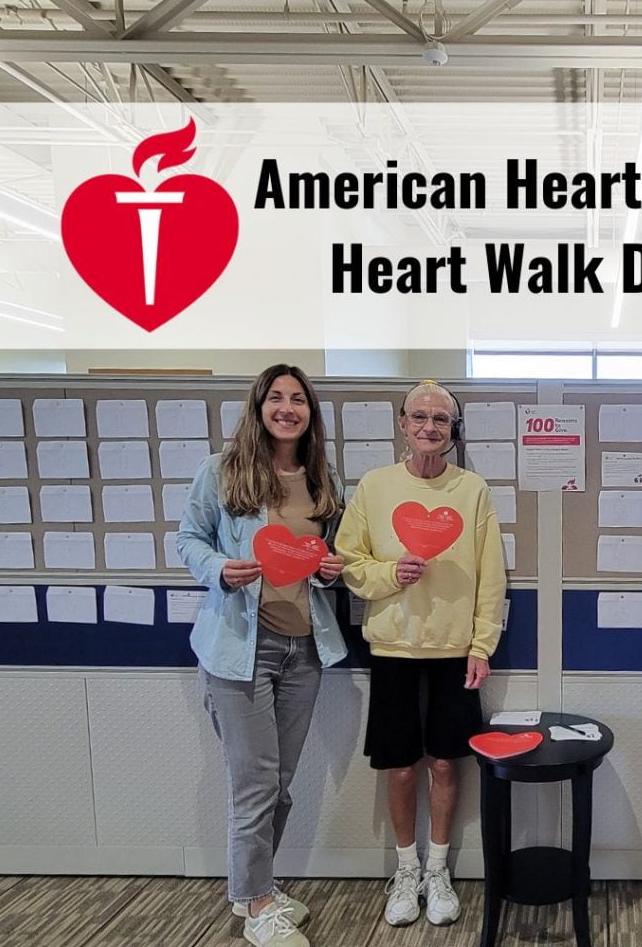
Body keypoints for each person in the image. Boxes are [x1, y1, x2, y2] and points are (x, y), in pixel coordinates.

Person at [177, 364, 347, 947]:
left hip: (305, 650)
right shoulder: (222, 473)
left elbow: (327, 559)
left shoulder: (322, 480)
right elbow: (188, 539)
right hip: (240, 650)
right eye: (276, 397)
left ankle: (261, 889)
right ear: (258, 407)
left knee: (281, 784)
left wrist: (331, 571)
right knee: (254, 785)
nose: (287, 407)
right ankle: (253, 905)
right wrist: (219, 570)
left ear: (310, 414)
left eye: (298, 399)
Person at [335, 380, 505, 928]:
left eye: (442, 420)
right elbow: (347, 561)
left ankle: (438, 869)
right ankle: (405, 869)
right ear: (402, 424)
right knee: (402, 767)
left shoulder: (472, 489)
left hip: (455, 648)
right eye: (420, 417)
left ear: (453, 431)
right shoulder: (375, 485)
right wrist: (390, 573)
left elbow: (490, 577)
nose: (431, 427)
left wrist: (481, 645)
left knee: (445, 762)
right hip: (393, 645)